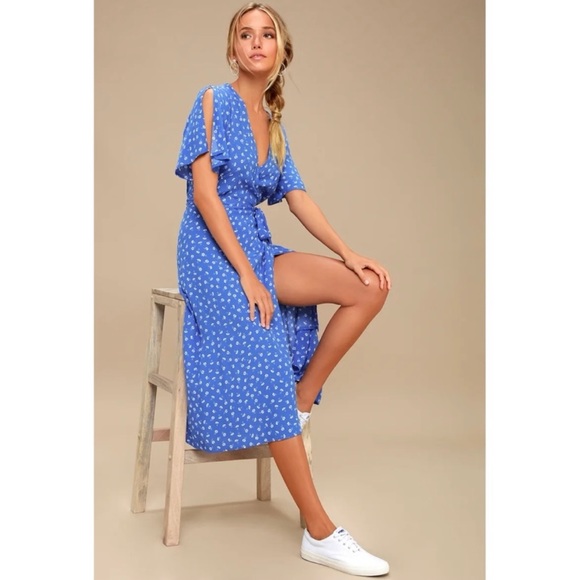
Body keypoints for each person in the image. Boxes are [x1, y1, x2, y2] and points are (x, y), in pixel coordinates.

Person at [175, 2, 392, 576]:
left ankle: (297, 404)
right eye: (245, 34)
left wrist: (348, 251)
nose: (256, 42)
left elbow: (296, 197)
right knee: (265, 344)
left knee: (367, 287)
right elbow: (205, 195)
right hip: (210, 251)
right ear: (233, 49)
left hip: (256, 244)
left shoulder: (274, 123)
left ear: (280, 50)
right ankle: (320, 532)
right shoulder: (211, 101)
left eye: (266, 34)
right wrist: (247, 275)